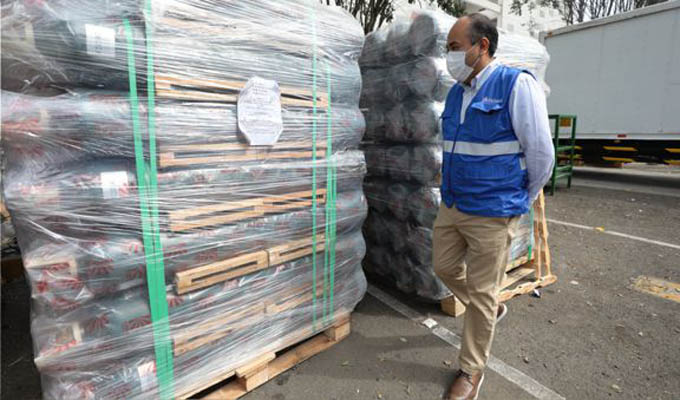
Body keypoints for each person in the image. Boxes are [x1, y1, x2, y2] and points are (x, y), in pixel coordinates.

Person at [434, 13, 555, 400]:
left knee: (483, 290)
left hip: (493, 211)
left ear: (481, 45)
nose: (450, 56)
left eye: (455, 47)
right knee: (443, 267)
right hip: (453, 203)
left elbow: (541, 154)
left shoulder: (515, 85)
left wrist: (518, 199)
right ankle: (488, 309)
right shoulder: (456, 93)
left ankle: (471, 371)